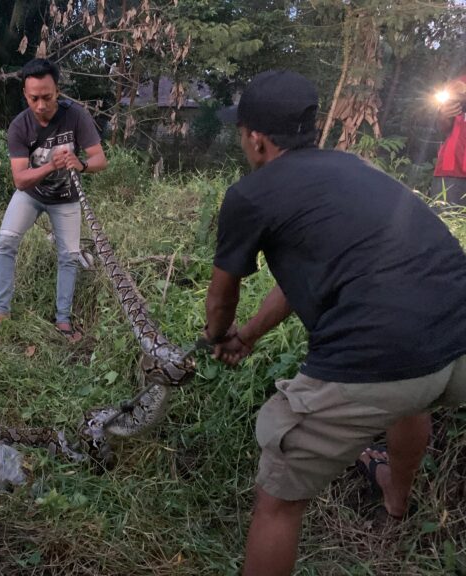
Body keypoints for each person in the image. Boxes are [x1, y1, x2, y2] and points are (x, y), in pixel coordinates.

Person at [204, 70, 466, 576]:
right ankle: (396, 496)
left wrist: (220, 338)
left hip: (376, 352)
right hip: (457, 332)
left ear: (256, 139)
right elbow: (319, 271)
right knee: (410, 394)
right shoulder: (355, 169)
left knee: (277, 501)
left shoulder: (250, 195)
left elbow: (221, 297)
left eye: (241, 132)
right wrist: (252, 335)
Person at [0, 59, 107, 343]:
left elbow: (100, 159)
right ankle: (0, 312)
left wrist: (80, 164)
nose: (40, 105)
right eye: (34, 98)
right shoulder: (19, 126)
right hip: (31, 195)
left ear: (57, 91)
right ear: (25, 95)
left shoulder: (77, 117)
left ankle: (63, 319)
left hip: (67, 198)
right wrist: (50, 166)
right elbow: (20, 180)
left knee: (69, 257)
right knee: (6, 241)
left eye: (47, 97)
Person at [431, 66, 466, 206]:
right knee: (443, 224)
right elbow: (443, 128)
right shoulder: (459, 84)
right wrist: (444, 115)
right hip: (452, 171)